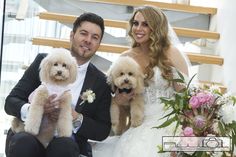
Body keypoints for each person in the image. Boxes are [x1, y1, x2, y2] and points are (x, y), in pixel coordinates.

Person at [4, 12, 111, 157]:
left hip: (66, 142)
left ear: (99, 44)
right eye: (83, 34)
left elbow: (102, 130)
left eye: (95, 37)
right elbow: (11, 102)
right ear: (72, 35)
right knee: (24, 142)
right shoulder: (44, 61)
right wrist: (36, 109)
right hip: (30, 136)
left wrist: (75, 117)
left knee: (65, 147)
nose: (88, 40)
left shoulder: (101, 81)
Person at [92, 5, 190, 157]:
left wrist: (186, 130)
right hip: (139, 121)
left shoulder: (172, 53)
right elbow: (115, 95)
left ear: (156, 28)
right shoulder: (126, 57)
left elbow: (185, 97)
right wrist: (118, 100)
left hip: (170, 122)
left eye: (145, 24)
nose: (138, 28)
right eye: (135, 23)